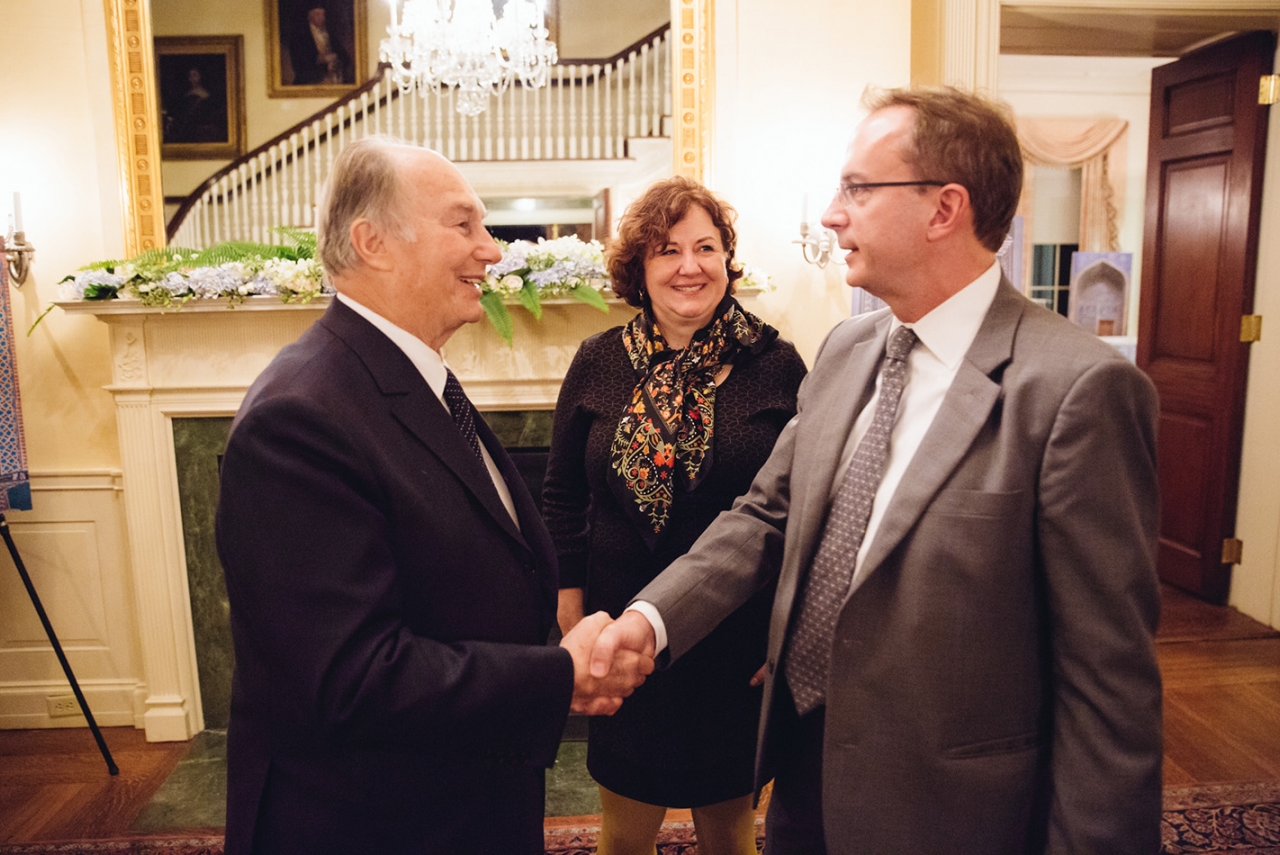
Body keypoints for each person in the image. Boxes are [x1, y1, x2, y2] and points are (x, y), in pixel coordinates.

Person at [590, 87, 1163, 854]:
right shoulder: (846, 352)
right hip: (800, 775)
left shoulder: (1076, 390)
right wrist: (649, 622)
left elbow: (1108, 685)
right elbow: (765, 516)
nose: (832, 213)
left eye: (858, 188)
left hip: (948, 809)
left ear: (943, 209)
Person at [215, 135, 652, 855]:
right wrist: (558, 676)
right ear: (374, 243)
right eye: (464, 225)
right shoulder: (299, 419)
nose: (493, 250)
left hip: (458, 796)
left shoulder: (412, 377)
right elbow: (352, 678)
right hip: (372, 821)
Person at [543, 177, 807, 855]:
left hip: (735, 639)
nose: (690, 266)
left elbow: (806, 508)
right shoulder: (599, 361)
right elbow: (563, 494)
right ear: (641, 268)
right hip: (623, 633)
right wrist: (570, 608)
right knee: (625, 832)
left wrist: (787, 633)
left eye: (706, 247)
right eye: (668, 250)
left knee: (730, 832)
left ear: (727, 259)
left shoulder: (778, 366)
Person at [288, 3, 351, 85]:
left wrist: (336, 57)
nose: (322, 18)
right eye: (317, 14)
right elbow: (300, 66)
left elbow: (344, 56)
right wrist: (321, 60)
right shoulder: (300, 38)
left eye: (323, 14)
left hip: (333, 82)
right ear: (309, 17)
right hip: (309, 84)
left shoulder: (330, 34)